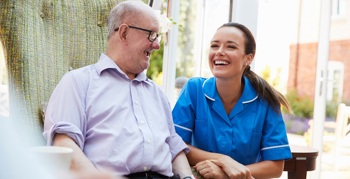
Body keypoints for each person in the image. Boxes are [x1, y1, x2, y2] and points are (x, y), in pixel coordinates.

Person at [43, 0, 194, 178]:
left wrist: (187, 177)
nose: (157, 45)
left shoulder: (157, 93)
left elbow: (174, 147)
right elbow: (63, 145)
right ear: (124, 33)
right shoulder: (78, 82)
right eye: (151, 35)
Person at [172, 22, 292, 179]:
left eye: (230, 47)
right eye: (214, 46)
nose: (219, 52)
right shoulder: (194, 89)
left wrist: (227, 173)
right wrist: (223, 160)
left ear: (248, 58)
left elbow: (275, 166)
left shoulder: (267, 101)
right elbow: (176, 146)